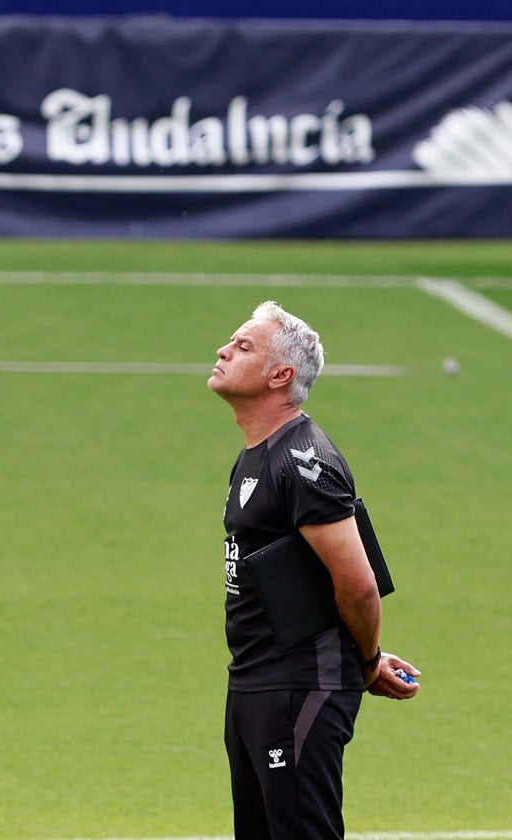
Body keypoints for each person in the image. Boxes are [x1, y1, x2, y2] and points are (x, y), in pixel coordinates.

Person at [209, 300, 420, 840]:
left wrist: (367, 661)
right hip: (255, 681)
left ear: (281, 375)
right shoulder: (257, 453)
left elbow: (358, 583)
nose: (224, 350)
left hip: (299, 686)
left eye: (243, 345)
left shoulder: (305, 462)